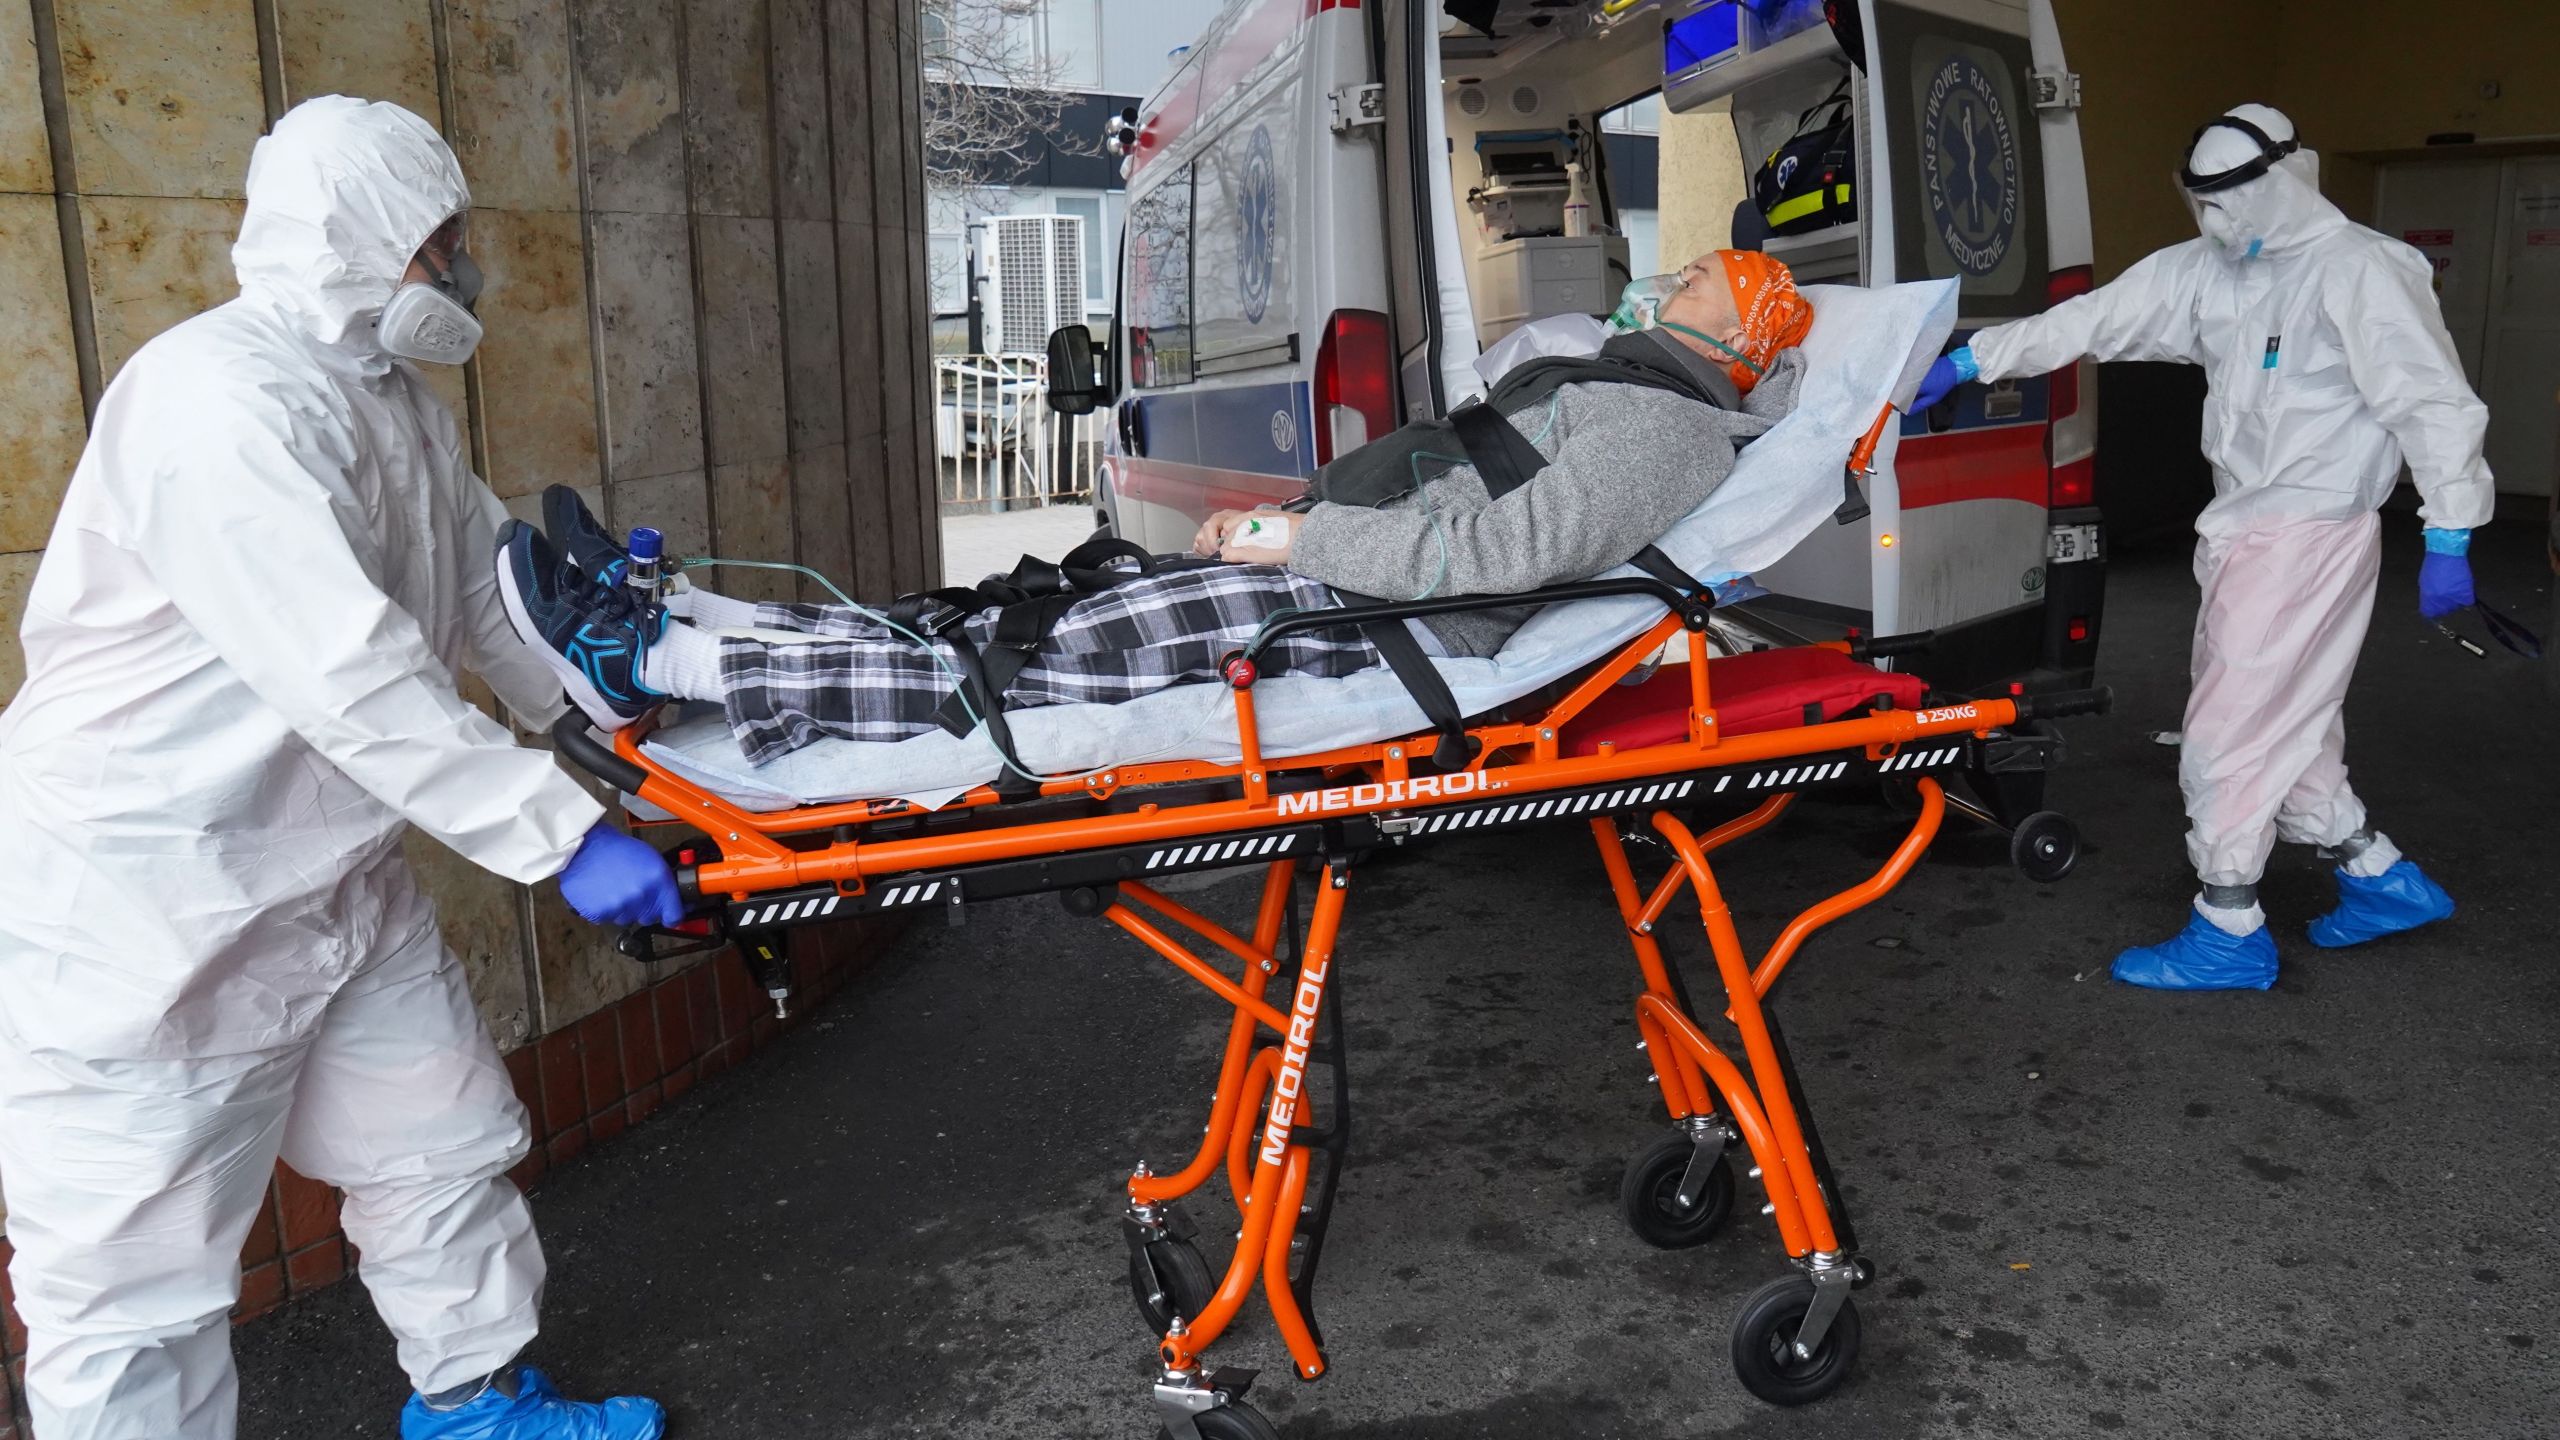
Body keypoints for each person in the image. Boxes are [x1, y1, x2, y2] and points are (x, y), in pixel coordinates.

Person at [0, 97, 675, 1439]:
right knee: (136, 1288)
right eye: (440, 244)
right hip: (153, 907)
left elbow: (486, 595)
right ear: (355, 243)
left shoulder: (392, 406)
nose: (464, 269)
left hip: (332, 879)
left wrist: (621, 746)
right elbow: (351, 674)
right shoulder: (217, 405)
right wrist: (563, 837)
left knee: (440, 1147)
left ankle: (478, 1405)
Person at [499, 253, 1815, 764]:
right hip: (1341, 582)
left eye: (1705, 280)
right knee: (1016, 616)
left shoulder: (1667, 425)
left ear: (1736, 334)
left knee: (1018, 670)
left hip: (1365, 617)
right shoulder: (1627, 387)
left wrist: (1302, 537)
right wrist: (1299, 528)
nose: (1675, 274)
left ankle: (656, 659)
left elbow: (1505, 550)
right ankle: (683, 627)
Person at [1912, 103, 2494, 991]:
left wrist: (2449, 527)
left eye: (2234, 198)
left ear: (2286, 178)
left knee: (2228, 726)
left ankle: (2229, 920)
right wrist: (1971, 361)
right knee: (2289, 719)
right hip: (2248, 526)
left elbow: (2433, 401)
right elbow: (2096, 318)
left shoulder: (2361, 271)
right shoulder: (2212, 271)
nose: (2219, 220)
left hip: (2307, 529)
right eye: (2205, 200)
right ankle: (2380, 879)